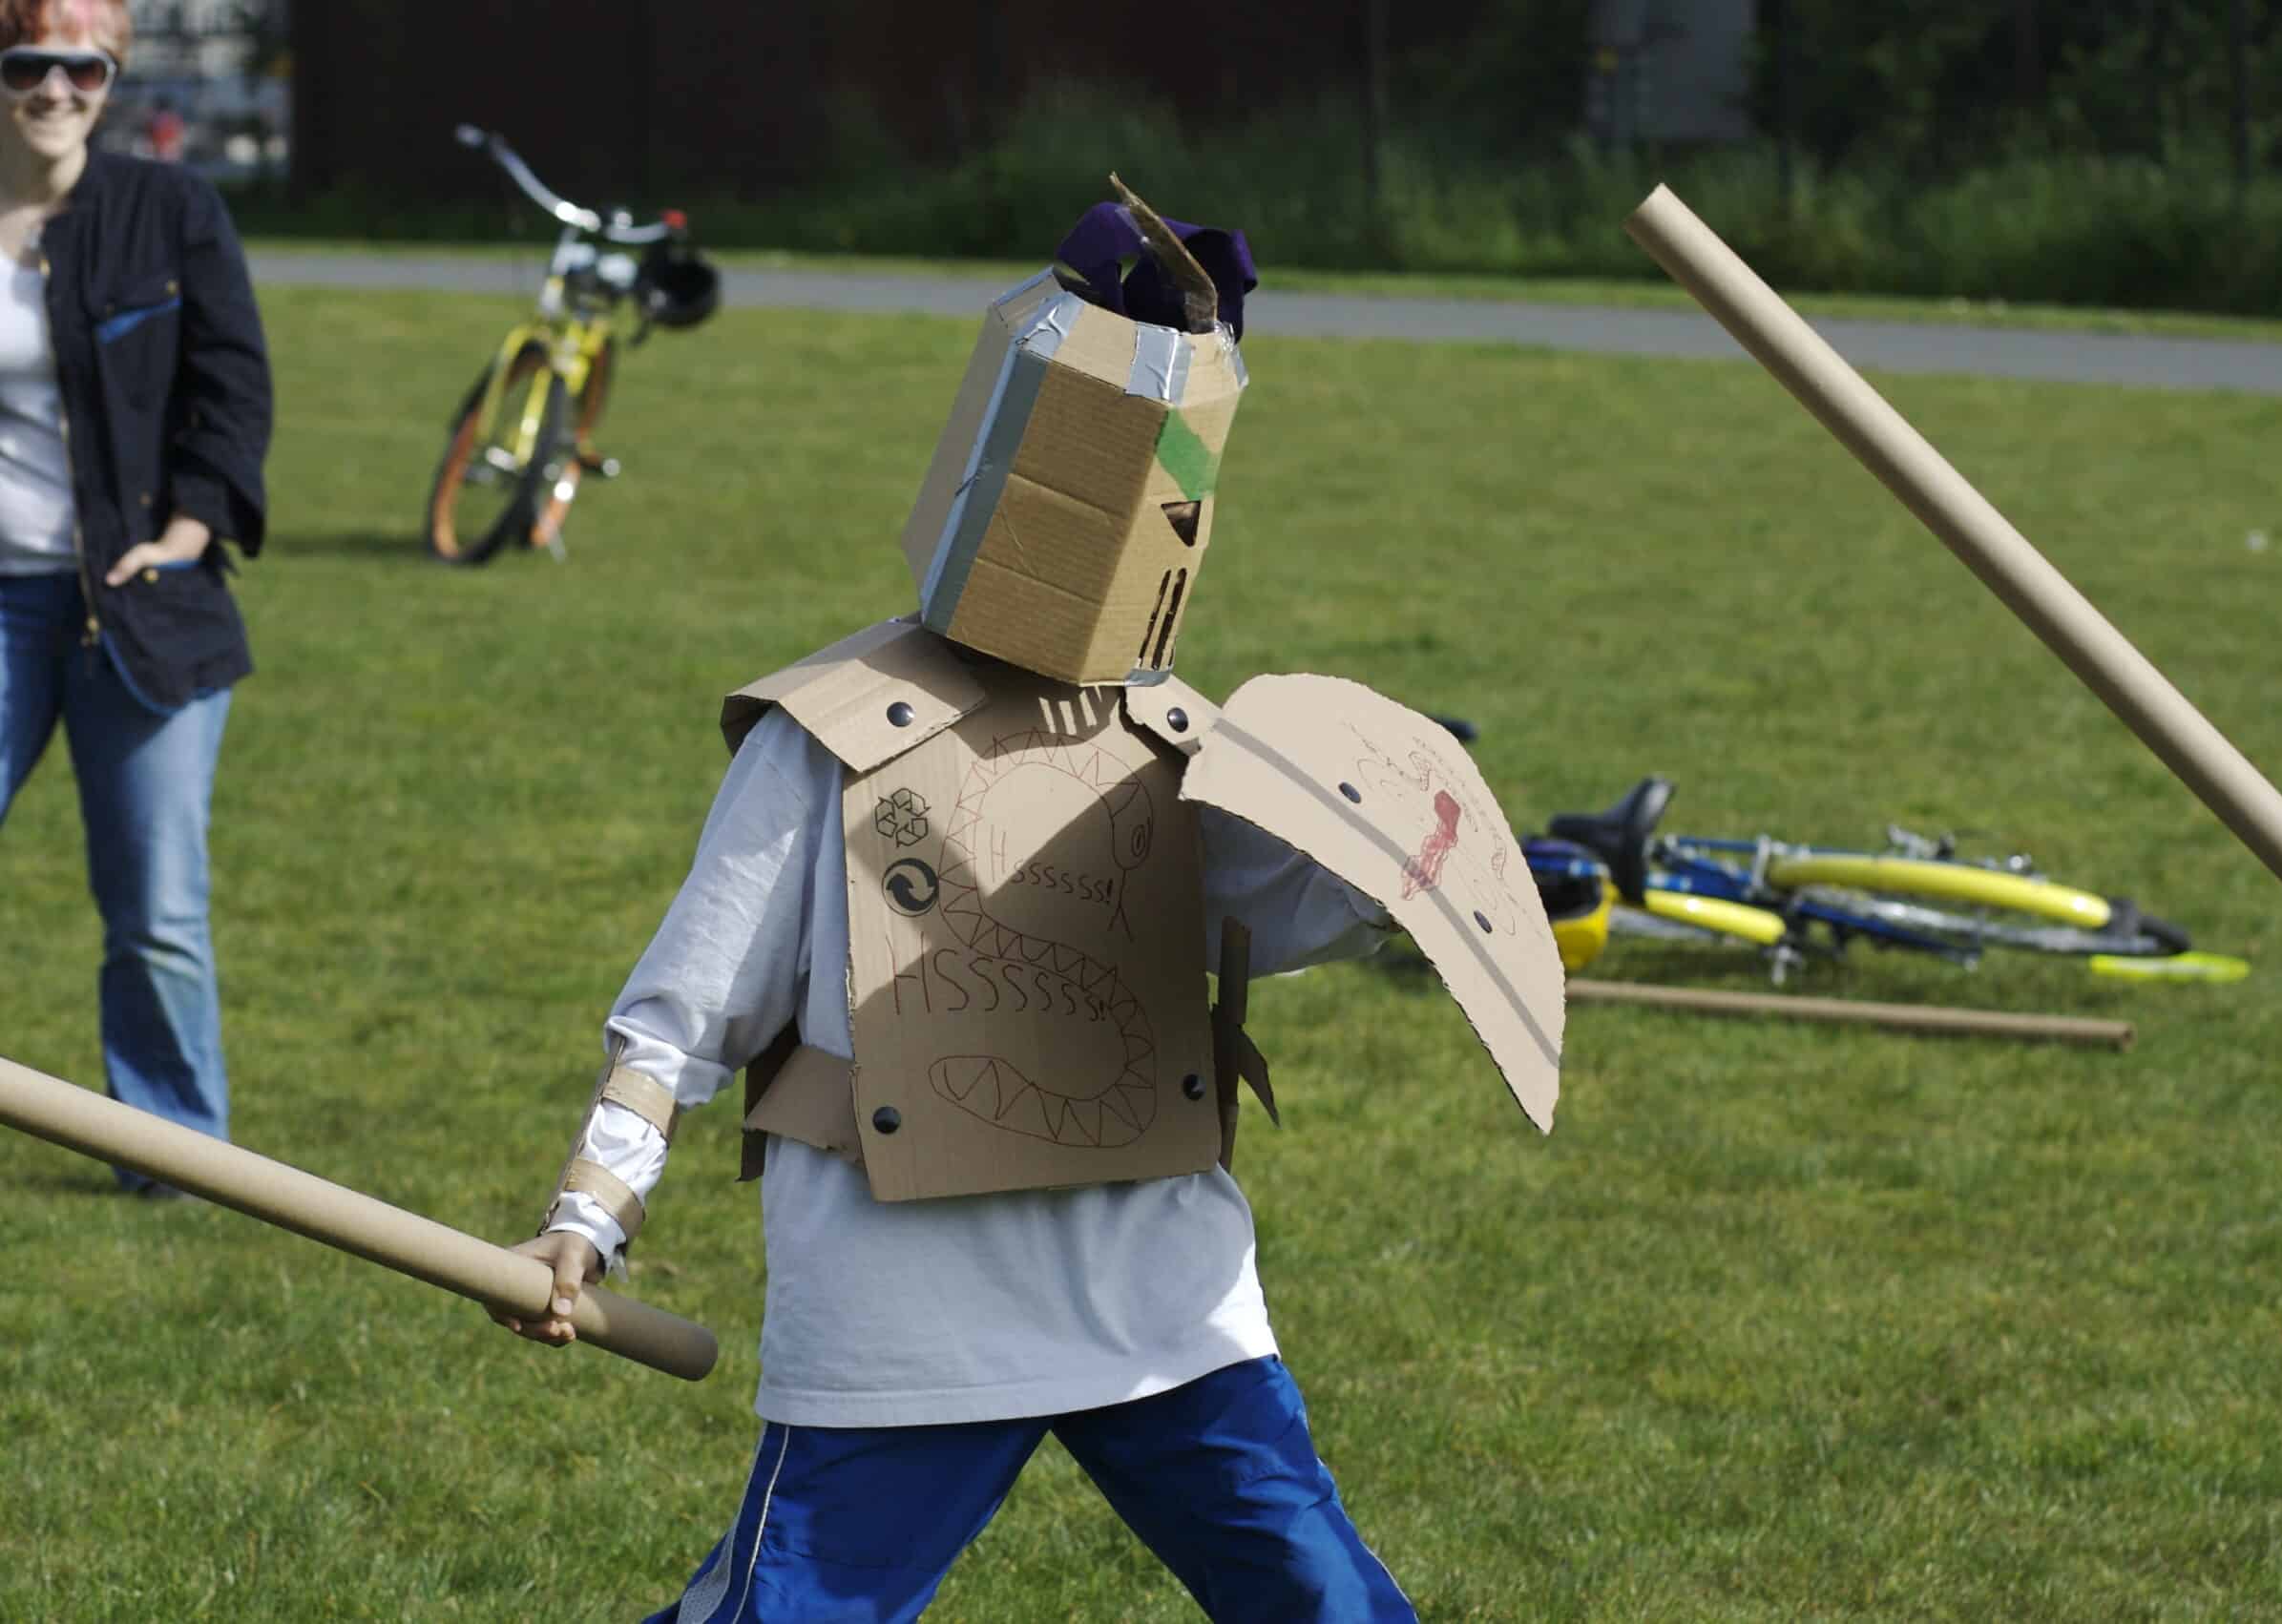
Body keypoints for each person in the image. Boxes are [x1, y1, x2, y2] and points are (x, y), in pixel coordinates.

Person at [497, 186, 1560, 1623]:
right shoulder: (827, 736)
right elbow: (690, 1001)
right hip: (905, 1301)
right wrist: (591, 1207)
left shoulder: (1182, 746)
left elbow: (1293, 903)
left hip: (1155, 1290)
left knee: (1329, 1603)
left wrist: (1405, 838)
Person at [0, 0, 274, 1194]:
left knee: (156, 908)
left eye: (85, 68)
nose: (57, 90)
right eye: (29, 65)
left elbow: (234, 384)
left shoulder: (169, 208)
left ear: (109, 79)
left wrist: (183, 532)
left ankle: (174, 1157)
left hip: (141, 607)